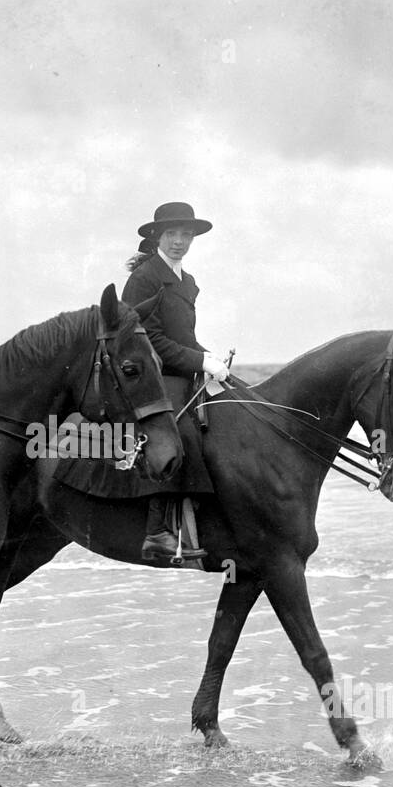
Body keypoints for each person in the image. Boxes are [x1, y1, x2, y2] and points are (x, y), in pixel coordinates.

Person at [122, 202, 231, 561]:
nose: (179, 241)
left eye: (186, 235)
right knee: (174, 434)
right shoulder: (144, 279)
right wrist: (199, 360)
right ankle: (159, 532)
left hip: (178, 369)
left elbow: (183, 338)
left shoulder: (188, 281)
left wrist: (209, 359)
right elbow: (148, 340)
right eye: (172, 234)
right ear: (157, 237)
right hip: (149, 373)